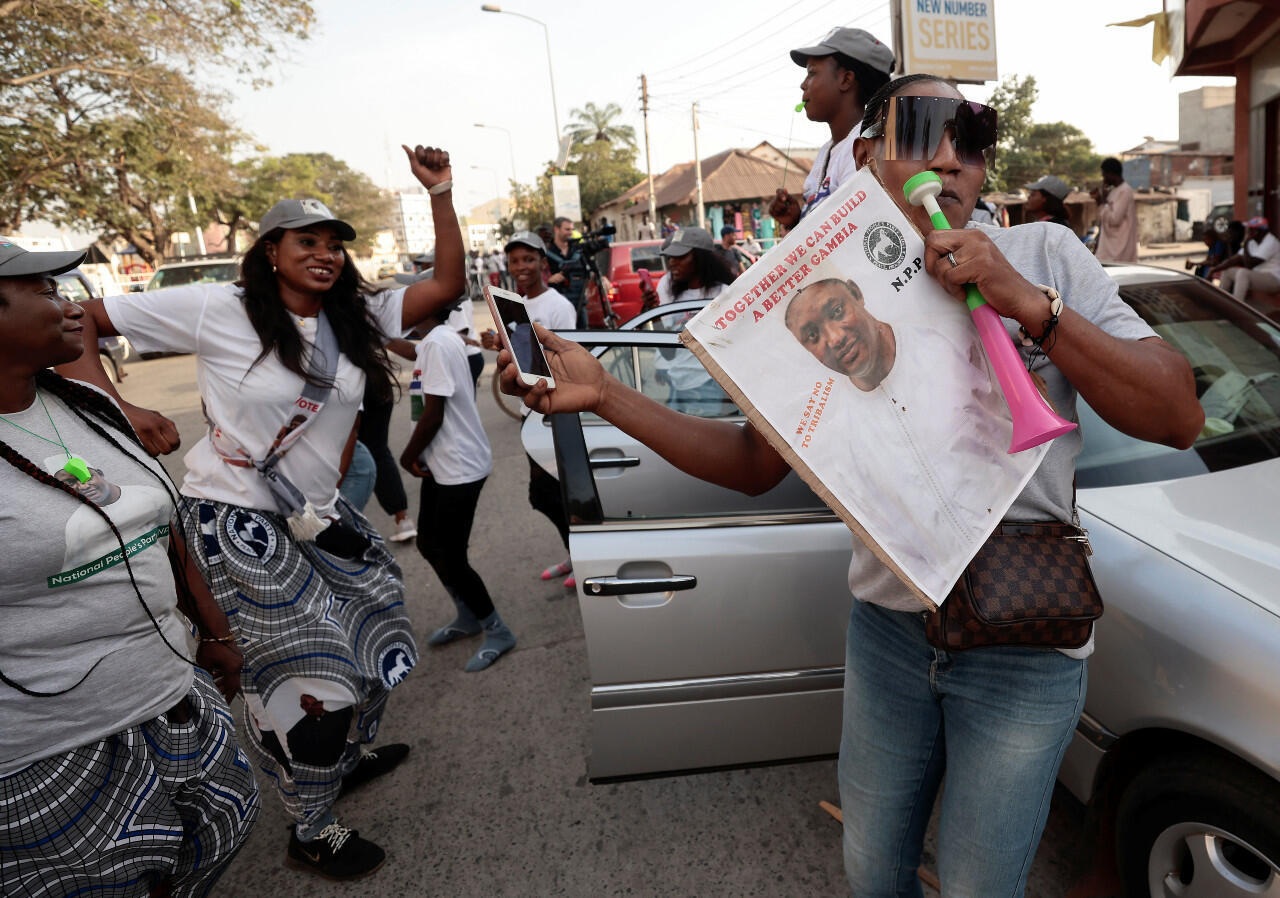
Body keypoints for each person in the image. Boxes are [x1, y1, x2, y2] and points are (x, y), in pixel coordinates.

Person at [500, 75, 1203, 897]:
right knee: (872, 869)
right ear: (866, 157)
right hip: (890, 635)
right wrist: (607, 397)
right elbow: (754, 465)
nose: (952, 158)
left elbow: (1177, 416)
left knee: (978, 886)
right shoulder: (813, 292)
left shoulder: (1043, 253)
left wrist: (1026, 303)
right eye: (925, 132)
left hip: (1026, 639)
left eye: (973, 138)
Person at [59, 144, 468, 881]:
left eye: (334, 243)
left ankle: (342, 759)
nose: (324, 254)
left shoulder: (355, 316)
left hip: (317, 517)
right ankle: (311, 828)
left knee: (380, 641)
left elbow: (446, 283)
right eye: (306, 241)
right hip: (235, 521)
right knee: (314, 682)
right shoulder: (218, 307)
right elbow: (80, 317)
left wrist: (439, 193)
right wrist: (117, 409)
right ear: (271, 251)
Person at [0, 244, 259, 895]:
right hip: (48, 754)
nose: (74, 307)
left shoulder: (89, 404)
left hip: (173, 698)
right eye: (46, 290)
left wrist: (214, 630)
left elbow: (159, 527)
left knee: (211, 844)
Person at [400, 304, 512, 671]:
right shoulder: (437, 339)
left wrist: (408, 455)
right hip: (443, 463)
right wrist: (373, 333)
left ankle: (497, 630)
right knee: (428, 543)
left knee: (451, 555)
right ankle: (468, 614)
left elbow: (434, 413)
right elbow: (408, 349)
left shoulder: (437, 343)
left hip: (459, 465)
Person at [481, 231, 577, 586]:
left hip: (555, 413)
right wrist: (498, 344)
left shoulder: (558, 306)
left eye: (528, 259)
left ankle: (582, 557)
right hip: (529, 412)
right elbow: (521, 356)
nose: (521, 267)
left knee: (554, 493)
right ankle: (576, 554)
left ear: (543, 263)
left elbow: (569, 360)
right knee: (547, 495)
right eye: (514, 261)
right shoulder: (513, 304)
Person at [768, 27, 894, 231]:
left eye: (812, 73)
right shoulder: (828, 150)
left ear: (846, 79)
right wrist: (796, 220)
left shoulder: (868, 146)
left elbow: (850, 234)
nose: (803, 85)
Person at [640, 227, 738, 417]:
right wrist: (654, 312)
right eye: (671, 257)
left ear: (701, 258)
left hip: (711, 388)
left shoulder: (723, 294)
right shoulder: (673, 294)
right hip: (680, 387)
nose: (672, 262)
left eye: (680, 256)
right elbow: (668, 354)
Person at [1212, 216, 1280, 301]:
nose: (1247, 231)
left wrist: (1246, 242)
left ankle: (1236, 305)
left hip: (1274, 280)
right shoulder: (1253, 241)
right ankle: (1219, 302)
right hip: (1258, 276)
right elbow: (1233, 260)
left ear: (1258, 231)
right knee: (1228, 271)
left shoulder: (1270, 242)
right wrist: (1214, 270)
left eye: (1250, 229)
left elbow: (1249, 265)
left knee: (1243, 273)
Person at [1092, 157, 1138, 263]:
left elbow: (1114, 220)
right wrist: (1101, 201)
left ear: (1111, 174)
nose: (1104, 179)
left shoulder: (1125, 191)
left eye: (1104, 175)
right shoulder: (1113, 192)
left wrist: (1102, 201)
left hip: (1118, 252)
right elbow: (1104, 218)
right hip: (1107, 250)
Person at [546, 216, 588, 327]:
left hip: (579, 303)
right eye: (567, 229)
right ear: (556, 229)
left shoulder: (577, 250)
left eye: (572, 229)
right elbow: (539, 277)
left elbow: (588, 270)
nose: (571, 232)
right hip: (556, 306)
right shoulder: (546, 252)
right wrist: (549, 279)